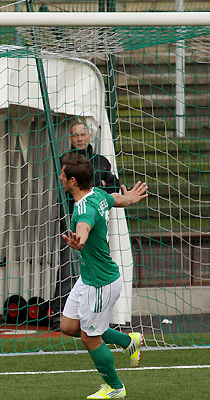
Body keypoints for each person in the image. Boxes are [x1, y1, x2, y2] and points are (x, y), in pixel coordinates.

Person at [58, 152, 146, 399]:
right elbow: (113, 199)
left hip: (100, 283)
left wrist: (79, 241)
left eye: (63, 174)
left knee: (90, 338)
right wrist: (128, 199)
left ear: (73, 181)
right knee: (68, 326)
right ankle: (128, 341)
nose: (60, 177)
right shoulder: (96, 193)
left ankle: (115, 388)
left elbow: (83, 227)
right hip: (89, 278)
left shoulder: (84, 209)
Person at [50, 121, 121, 330]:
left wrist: (121, 194)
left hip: (91, 238)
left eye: (82, 134)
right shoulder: (65, 162)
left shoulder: (99, 165)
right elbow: (115, 196)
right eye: (75, 135)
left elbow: (115, 189)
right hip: (75, 228)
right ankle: (59, 312)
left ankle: (96, 324)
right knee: (67, 268)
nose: (79, 138)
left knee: (91, 334)